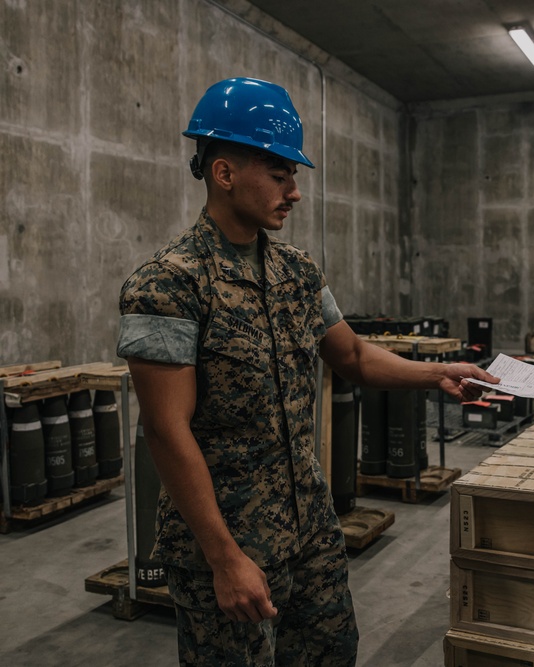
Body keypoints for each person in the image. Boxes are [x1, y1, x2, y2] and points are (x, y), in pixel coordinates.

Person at [116, 77, 498, 666]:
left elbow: (352, 356)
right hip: (229, 536)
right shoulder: (168, 284)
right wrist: (224, 558)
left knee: (331, 653)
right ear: (224, 173)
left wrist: (437, 374)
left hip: (310, 527)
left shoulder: (297, 273)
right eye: (280, 174)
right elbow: (167, 430)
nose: (294, 192)